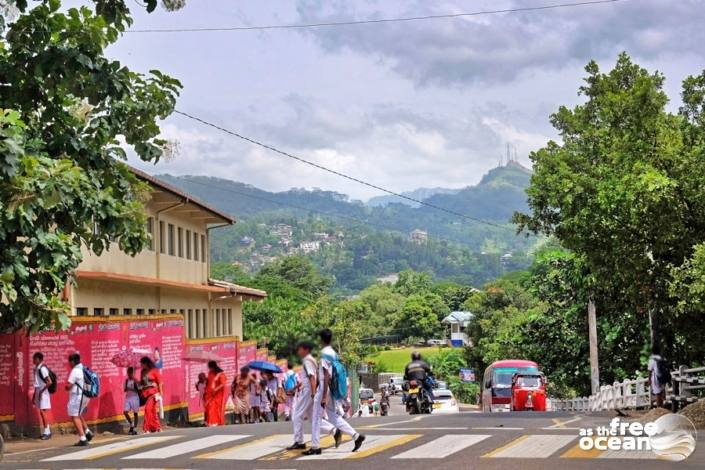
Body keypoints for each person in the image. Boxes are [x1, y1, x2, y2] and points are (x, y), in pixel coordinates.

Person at [304, 329, 365, 456]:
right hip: (332, 388)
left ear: (321, 340)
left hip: (324, 389)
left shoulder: (324, 353)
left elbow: (326, 375)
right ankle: (356, 436)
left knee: (315, 418)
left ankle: (315, 447)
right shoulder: (333, 352)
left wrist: (323, 396)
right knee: (333, 415)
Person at [288, 341, 336, 451]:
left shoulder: (307, 361)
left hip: (308, 391)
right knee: (312, 417)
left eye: (299, 349)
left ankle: (299, 441)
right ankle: (334, 430)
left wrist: (313, 393)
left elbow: (312, 378)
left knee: (297, 414)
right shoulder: (311, 360)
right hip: (309, 390)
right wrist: (296, 388)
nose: (298, 351)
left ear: (305, 349)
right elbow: (310, 377)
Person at [66, 353, 93, 446]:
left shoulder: (75, 370)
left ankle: (82, 438)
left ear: (72, 362)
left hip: (77, 396)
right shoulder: (83, 368)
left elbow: (69, 385)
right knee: (78, 414)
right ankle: (87, 432)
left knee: (74, 416)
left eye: (69, 362)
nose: (69, 364)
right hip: (85, 396)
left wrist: (66, 387)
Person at [32, 352, 52, 440]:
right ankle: (46, 431)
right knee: (41, 412)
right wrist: (34, 395)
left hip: (43, 392)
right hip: (38, 391)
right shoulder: (36, 368)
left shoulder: (42, 369)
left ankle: (47, 432)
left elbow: (49, 382)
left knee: (43, 412)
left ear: (39, 359)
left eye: (34, 359)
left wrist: (41, 392)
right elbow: (36, 383)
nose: (33, 360)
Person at [139, 356, 162, 433]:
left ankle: (147, 428)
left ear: (146, 363)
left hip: (153, 393)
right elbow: (141, 383)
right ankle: (156, 427)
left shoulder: (154, 370)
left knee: (147, 409)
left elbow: (160, 382)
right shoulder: (142, 372)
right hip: (145, 393)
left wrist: (161, 393)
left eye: (142, 364)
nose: (141, 365)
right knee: (152, 410)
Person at [204, 361, 227, 426]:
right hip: (210, 394)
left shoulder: (221, 374)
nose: (209, 369)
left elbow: (223, 384)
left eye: (210, 368)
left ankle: (217, 422)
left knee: (216, 408)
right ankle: (211, 422)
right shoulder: (210, 373)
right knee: (210, 408)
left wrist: (216, 389)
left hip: (218, 395)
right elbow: (209, 382)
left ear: (213, 367)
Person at [123, 367, 140, 435]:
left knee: (135, 413)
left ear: (133, 373)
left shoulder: (135, 381)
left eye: (131, 373)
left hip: (135, 398)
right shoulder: (126, 381)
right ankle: (131, 424)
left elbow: (138, 391)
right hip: (128, 398)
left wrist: (131, 388)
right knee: (125, 412)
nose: (130, 374)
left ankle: (135, 428)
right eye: (129, 373)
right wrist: (127, 388)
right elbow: (124, 390)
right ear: (127, 373)